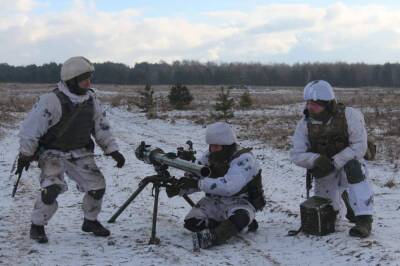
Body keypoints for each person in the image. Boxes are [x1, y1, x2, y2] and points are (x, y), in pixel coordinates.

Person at [15, 56, 126, 243]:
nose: (89, 82)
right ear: (72, 80)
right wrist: (25, 155)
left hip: (80, 152)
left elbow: (101, 127)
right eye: (84, 79)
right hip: (52, 153)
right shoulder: (50, 101)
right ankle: (37, 226)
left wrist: (112, 150)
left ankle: (90, 221)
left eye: (90, 77)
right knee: (52, 189)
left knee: (97, 187)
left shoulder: (91, 100)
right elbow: (31, 129)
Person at [290, 80, 374, 238]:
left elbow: (359, 147)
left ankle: (364, 219)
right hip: (325, 170)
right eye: (308, 103)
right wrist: (315, 160)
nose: (309, 107)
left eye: (314, 104)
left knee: (355, 168)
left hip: (348, 164)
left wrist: (335, 161)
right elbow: (296, 154)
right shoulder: (304, 124)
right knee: (329, 216)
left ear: (327, 103)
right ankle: (344, 203)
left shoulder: (350, 115)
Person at [167, 122, 266, 249]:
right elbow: (196, 176)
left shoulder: (244, 159)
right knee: (191, 223)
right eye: (211, 146)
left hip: (241, 202)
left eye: (216, 146)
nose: (212, 149)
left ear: (227, 146)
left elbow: (229, 187)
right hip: (215, 201)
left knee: (240, 217)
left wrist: (198, 183)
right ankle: (231, 225)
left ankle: (215, 236)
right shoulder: (210, 156)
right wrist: (180, 188)